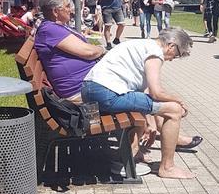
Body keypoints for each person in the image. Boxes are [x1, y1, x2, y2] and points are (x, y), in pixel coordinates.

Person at [81, 28, 196, 179]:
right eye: (177, 54)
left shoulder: (142, 45)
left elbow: (145, 95)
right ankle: (167, 167)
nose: (173, 58)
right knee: (174, 110)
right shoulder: (155, 53)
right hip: (107, 94)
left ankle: (132, 153)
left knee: (152, 109)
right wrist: (178, 101)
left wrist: (150, 123)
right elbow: (156, 92)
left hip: (92, 90)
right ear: (171, 46)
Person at [34, 0, 105, 101]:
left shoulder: (55, 27)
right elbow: (89, 52)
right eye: (67, 6)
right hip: (81, 90)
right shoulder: (50, 29)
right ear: (55, 11)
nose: (71, 10)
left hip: (89, 83)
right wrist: (102, 49)